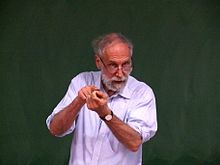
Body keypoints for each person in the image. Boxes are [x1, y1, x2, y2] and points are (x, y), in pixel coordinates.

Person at [46, 32, 157, 165]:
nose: (120, 73)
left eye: (126, 64)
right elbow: (55, 129)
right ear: (98, 62)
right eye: (113, 65)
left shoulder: (142, 93)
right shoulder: (81, 81)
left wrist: (106, 114)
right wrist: (78, 102)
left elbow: (134, 142)